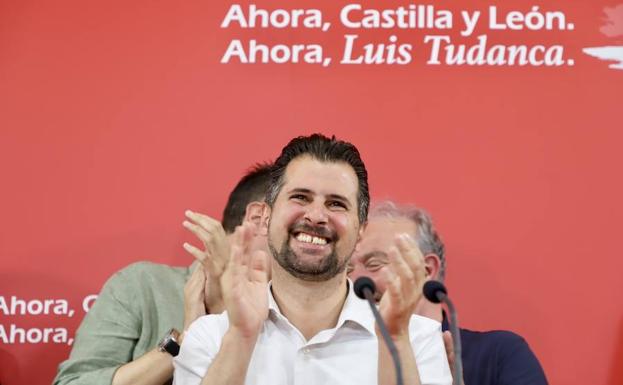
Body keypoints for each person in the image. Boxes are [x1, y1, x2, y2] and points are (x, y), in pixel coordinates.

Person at [174, 134, 452, 385]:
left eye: (336, 204)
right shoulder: (211, 335)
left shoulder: (416, 339)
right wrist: (241, 338)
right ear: (266, 216)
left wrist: (394, 341)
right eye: (300, 198)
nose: (317, 216)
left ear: (361, 230)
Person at [53, 163, 273, 385]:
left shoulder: (287, 310)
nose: (308, 220)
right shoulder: (143, 286)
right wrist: (185, 340)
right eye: (298, 202)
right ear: (258, 217)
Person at [348, 201, 549, 385]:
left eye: (373, 264)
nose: (354, 279)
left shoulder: (498, 355)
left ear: (426, 270)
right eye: (348, 270)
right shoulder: (343, 355)